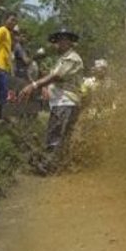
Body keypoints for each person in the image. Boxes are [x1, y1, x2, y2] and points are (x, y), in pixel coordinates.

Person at [19, 30, 84, 171]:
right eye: (55, 42)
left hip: (65, 101)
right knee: (60, 134)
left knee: (55, 134)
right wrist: (46, 86)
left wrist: (35, 85)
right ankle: (60, 165)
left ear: (68, 42)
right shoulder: (63, 59)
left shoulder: (72, 58)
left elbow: (57, 76)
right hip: (61, 101)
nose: (56, 45)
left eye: (59, 41)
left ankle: (49, 166)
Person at [0, 12, 18, 120]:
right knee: (1, 92)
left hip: (5, 68)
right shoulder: (2, 30)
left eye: (15, 21)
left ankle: (0, 116)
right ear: (5, 20)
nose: (13, 23)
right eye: (11, 20)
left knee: (4, 93)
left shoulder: (8, 33)